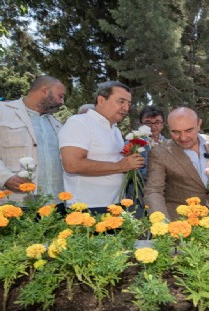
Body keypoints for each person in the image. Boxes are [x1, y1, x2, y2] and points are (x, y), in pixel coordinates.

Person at [0, 76, 66, 204]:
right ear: (45, 91)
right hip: (14, 203)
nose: (62, 102)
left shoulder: (56, 123)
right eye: (60, 96)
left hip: (54, 204)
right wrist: (5, 178)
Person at [59, 81, 145, 213]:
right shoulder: (79, 122)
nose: (126, 108)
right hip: (87, 208)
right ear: (101, 100)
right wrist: (122, 166)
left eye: (128, 103)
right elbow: (72, 165)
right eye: (121, 101)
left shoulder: (115, 129)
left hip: (115, 204)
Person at [144, 107, 209, 221]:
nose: (183, 138)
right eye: (176, 132)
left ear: (199, 124)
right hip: (179, 222)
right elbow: (154, 191)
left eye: (189, 130)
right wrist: (163, 224)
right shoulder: (159, 153)